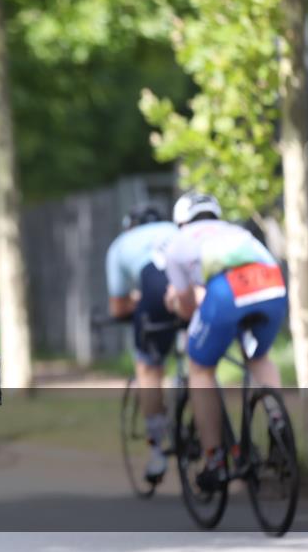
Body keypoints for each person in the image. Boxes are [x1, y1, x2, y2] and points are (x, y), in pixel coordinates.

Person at [163, 191, 287, 492]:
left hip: (228, 292)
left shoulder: (177, 243)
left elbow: (187, 304)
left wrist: (179, 308)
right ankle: (278, 423)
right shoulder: (237, 231)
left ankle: (214, 459)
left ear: (181, 221)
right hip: (271, 283)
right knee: (259, 356)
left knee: (200, 369)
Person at [105, 204, 178, 483]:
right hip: (191, 288)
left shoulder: (120, 245)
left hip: (154, 293)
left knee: (148, 369)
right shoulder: (174, 231)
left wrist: (136, 302)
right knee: (201, 364)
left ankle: (157, 451)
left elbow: (118, 308)